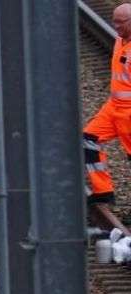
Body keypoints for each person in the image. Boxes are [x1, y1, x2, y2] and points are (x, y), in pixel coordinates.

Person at [83, 3, 131, 237]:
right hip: (113, 108)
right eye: (115, 21)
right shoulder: (121, 39)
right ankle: (103, 190)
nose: (116, 26)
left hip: (129, 112)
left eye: (120, 22)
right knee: (88, 139)